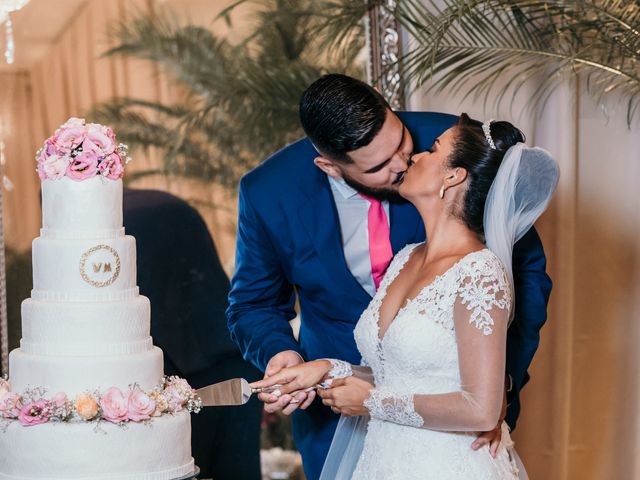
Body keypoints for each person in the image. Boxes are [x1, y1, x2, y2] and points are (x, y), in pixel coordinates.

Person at [227, 73, 552, 479]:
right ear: (329, 165)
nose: (403, 163)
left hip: (451, 441)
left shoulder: (450, 144)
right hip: (335, 420)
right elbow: (253, 304)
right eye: (380, 165)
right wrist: (298, 360)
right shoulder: (270, 192)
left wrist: (495, 385)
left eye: (401, 141)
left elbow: (525, 273)